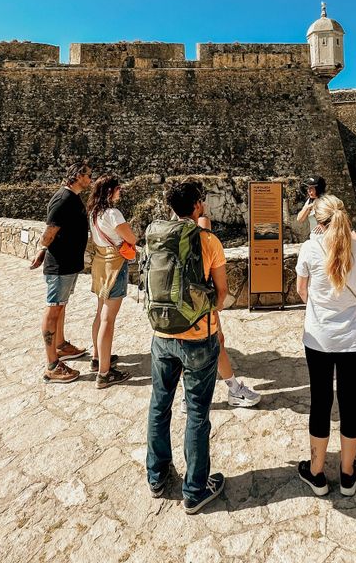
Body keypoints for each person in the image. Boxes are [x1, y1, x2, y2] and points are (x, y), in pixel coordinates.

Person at [145, 180, 228, 514]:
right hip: (197, 337)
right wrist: (204, 310)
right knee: (196, 413)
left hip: (162, 334)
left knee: (159, 404)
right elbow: (221, 294)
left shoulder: (156, 237)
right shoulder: (207, 240)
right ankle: (194, 490)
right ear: (197, 206)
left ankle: (156, 475)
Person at [295, 193, 356, 498]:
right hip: (354, 337)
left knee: (321, 401)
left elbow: (302, 291)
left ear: (318, 220)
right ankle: (348, 473)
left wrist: (320, 307)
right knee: (350, 402)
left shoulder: (310, 248)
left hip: (320, 337)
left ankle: (316, 473)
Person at [194, 186, 260, 408]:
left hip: (173, 304)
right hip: (201, 300)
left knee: (184, 347)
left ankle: (187, 397)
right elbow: (221, 287)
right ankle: (234, 389)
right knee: (217, 341)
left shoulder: (166, 233)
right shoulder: (203, 231)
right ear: (197, 205)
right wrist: (218, 304)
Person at [30, 161, 91, 384]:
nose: (90, 179)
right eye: (87, 175)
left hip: (68, 264)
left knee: (61, 305)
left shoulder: (72, 198)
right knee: (53, 309)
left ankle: (61, 345)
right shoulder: (63, 199)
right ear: (77, 176)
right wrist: (42, 249)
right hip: (60, 265)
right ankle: (52, 366)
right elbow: (49, 232)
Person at [87, 173, 137, 389]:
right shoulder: (113, 213)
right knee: (108, 319)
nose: (120, 191)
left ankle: (97, 358)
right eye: (118, 188)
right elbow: (131, 238)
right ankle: (104, 374)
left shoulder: (94, 212)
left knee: (100, 313)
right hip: (115, 265)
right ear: (109, 191)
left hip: (100, 264)